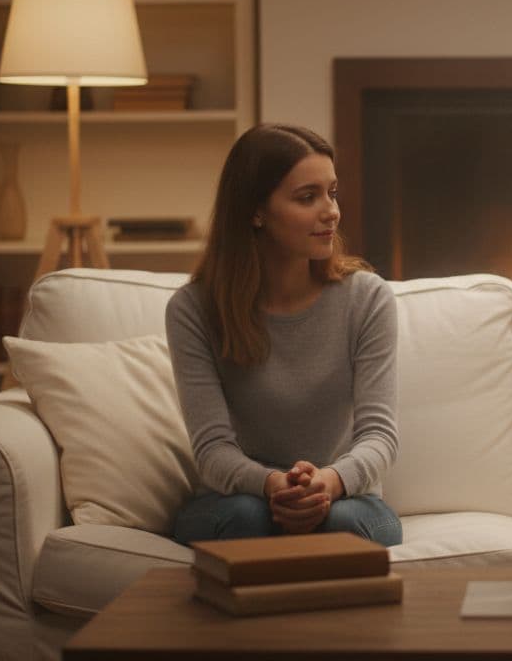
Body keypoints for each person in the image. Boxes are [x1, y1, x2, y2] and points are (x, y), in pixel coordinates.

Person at [166, 124, 402, 546]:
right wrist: (273, 484)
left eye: (331, 192)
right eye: (307, 197)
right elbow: (211, 449)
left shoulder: (367, 298)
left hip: (344, 498)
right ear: (255, 211)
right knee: (246, 517)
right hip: (240, 499)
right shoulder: (194, 310)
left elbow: (379, 436)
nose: (331, 211)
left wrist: (328, 483)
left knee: (343, 524)